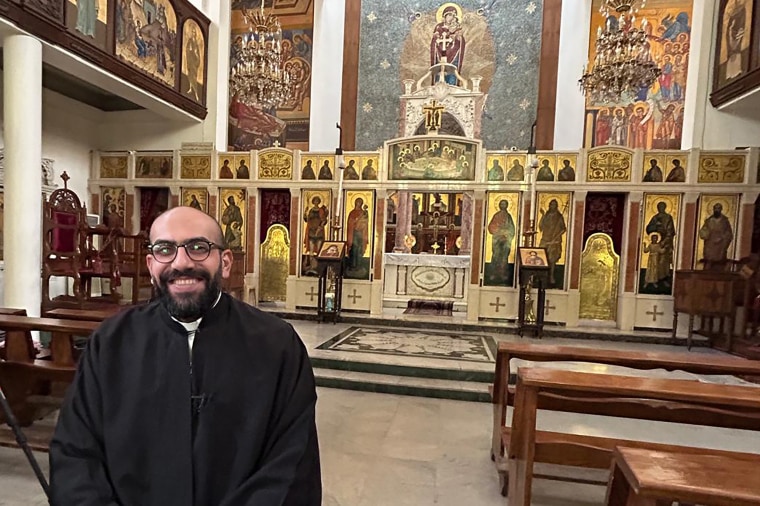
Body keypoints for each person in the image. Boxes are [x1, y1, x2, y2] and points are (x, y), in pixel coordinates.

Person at [49, 206, 322, 505]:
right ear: (152, 265)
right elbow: (76, 454)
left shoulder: (278, 345)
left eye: (198, 247)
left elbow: (290, 464)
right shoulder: (110, 343)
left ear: (225, 262)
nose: (181, 262)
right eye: (165, 249)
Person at [645, 201, 676, 284]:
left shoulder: (668, 217)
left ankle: (663, 278)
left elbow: (671, 231)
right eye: (659, 207)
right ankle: (654, 279)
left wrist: (665, 241)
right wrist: (655, 226)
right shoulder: (655, 218)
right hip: (656, 241)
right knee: (655, 263)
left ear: (665, 208)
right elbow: (648, 228)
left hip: (665, 242)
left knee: (663, 261)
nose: (660, 208)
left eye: (662, 207)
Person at [538, 199, 567, 286]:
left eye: (554, 205)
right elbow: (541, 227)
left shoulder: (559, 217)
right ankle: (542, 277)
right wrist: (542, 215)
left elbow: (563, 229)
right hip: (545, 239)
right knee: (542, 258)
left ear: (556, 206)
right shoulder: (546, 215)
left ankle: (551, 276)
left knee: (552, 259)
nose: (552, 206)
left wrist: (556, 236)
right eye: (551, 204)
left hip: (554, 241)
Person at [487, 199, 516, 283]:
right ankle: (494, 273)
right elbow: (491, 227)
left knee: (504, 257)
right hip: (497, 239)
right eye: (501, 204)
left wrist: (506, 233)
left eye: (504, 204)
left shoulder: (509, 217)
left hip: (506, 240)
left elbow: (512, 229)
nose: (503, 206)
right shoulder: (496, 215)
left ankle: (503, 273)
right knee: (496, 256)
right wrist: (500, 231)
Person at [699, 203, 734, 267]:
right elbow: (704, 230)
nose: (716, 210)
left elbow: (729, 233)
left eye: (718, 208)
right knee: (709, 261)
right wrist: (705, 234)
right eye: (715, 208)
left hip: (720, 245)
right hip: (710, 244)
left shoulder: (725, 221)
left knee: (719, 264)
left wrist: (722, 238)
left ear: (721, 210)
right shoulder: (709, 220)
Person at [303, 196, 329, 272]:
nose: (316, 202)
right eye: (315, 201)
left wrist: (321, 224)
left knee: (319, 249)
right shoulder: (311, 210)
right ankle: (311, 266)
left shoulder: (321, 210)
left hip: (319, 232)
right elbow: (307, 219)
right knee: (311, 249)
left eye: (317, 201)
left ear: (319, 202)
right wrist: (305, 213)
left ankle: (318, 267)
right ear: (313, 202)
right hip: (311, 231)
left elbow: (324, 220)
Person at [346, 198, 369, 273]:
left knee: (359, 249)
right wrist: (355, 221)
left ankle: (359, 266)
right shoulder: (352, 212)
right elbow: (350, 222)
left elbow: (365, 222)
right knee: (354, 249)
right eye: (357, 202)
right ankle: (353, 265)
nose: (358, 203)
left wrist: (363, 220)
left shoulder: (363, 212)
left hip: (361, 233)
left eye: (360, 202)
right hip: (354, 233)